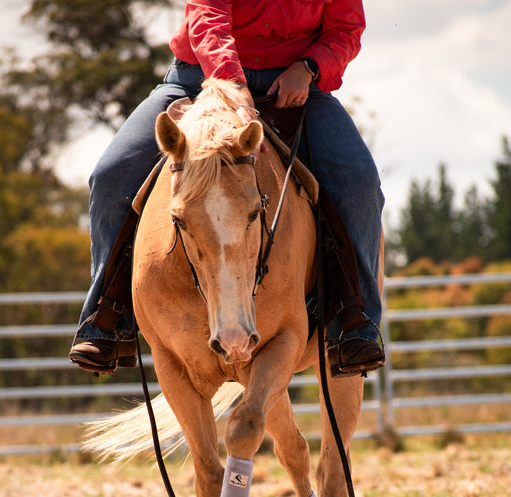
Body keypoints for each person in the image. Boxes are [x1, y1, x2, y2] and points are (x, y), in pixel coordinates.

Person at [69, 0, 385, 377]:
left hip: (296, 85)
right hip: (202, 77)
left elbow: (346, 28)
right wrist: (232, 83)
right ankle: (106, 318)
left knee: (360, 181)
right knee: (110, 175)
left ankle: (355, 320)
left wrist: (309, 67)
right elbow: (207, 14)